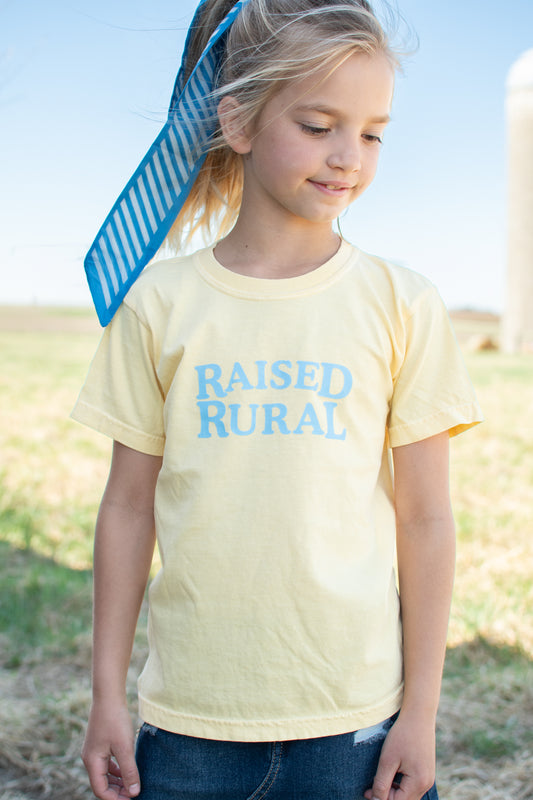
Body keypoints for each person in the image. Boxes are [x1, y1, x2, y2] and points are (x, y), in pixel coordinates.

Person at [72, 1, 483, 799]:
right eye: (319, 123)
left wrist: (420, 713)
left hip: (356, 723)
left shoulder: (401, 302)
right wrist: (106, 697)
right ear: (239, 122)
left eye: (371, 132)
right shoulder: (158, 304)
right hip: (191, 724)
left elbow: (425, 516)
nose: (347, 157)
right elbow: (126, 509)